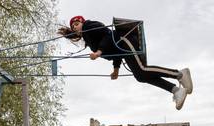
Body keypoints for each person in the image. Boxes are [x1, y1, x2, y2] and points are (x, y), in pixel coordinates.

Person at [58, 16, 193, 110]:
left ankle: (180, 74)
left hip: (125, 41)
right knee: (140, 76)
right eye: (73, 26)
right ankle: (176, 90)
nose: (75, 28)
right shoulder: (88, 39)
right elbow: (114, 51)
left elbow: (109, 35)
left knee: (143, 69)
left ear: (82, 22)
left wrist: (99, 52)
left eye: (76, 24)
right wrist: (116, 69)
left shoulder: (89, 25)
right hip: (121, 48)